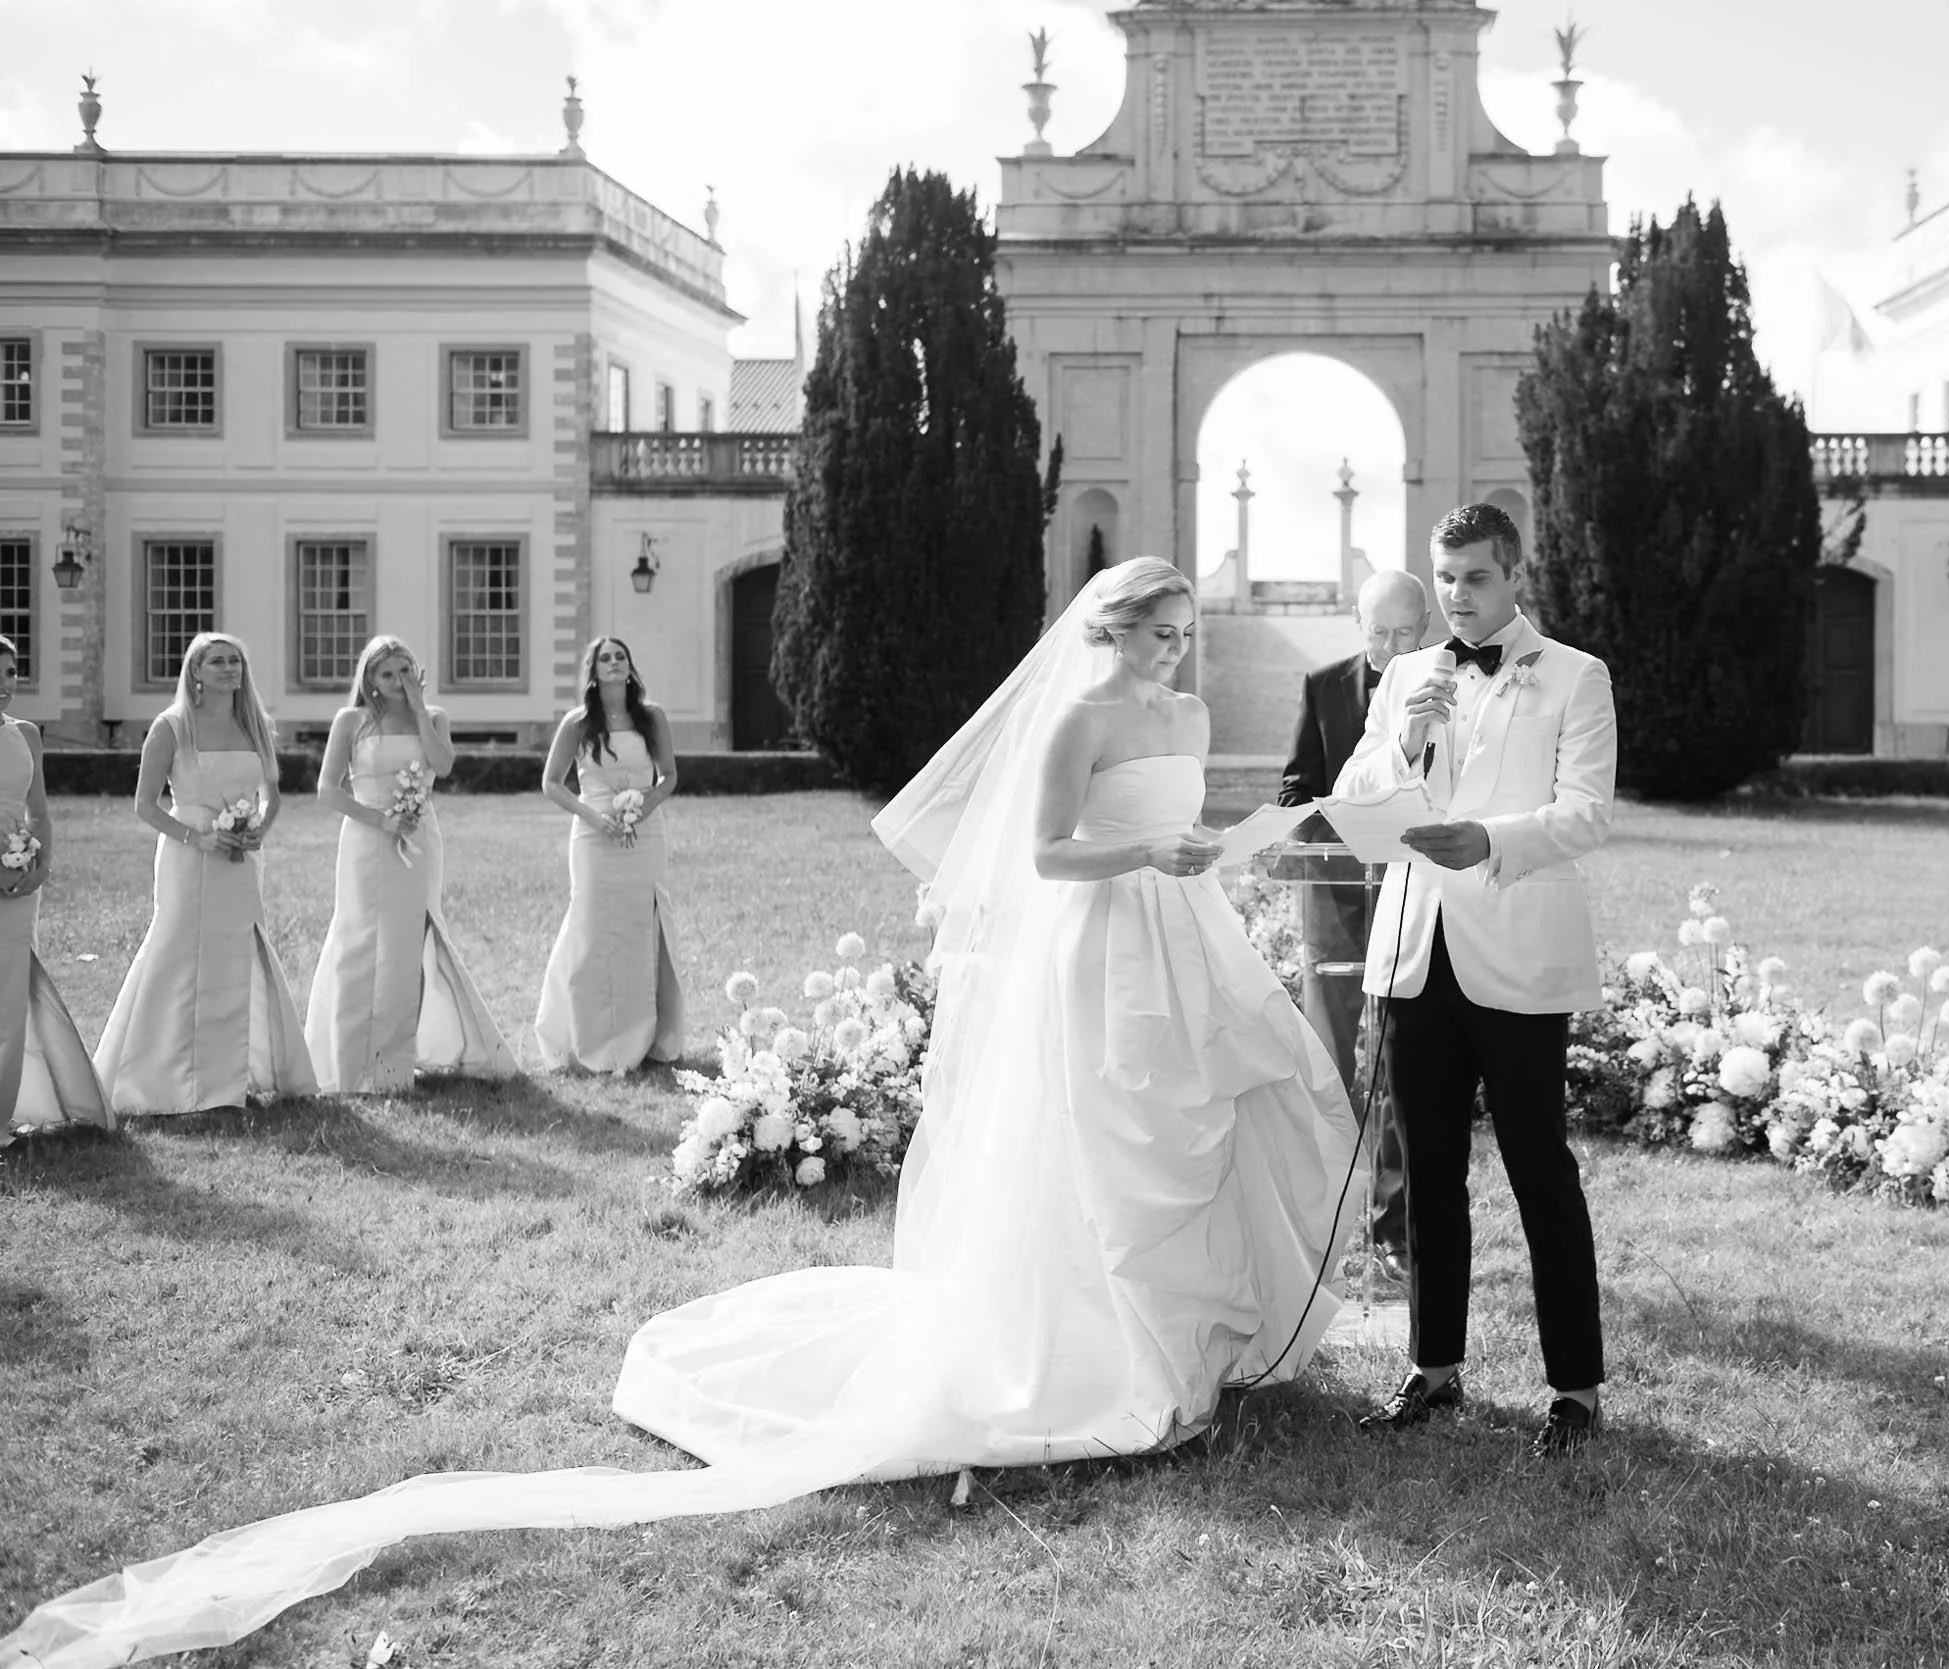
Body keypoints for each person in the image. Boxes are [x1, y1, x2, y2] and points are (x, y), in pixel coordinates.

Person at [0, 559, 1361, 1669]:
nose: (1177, 655)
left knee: (1210, 1118)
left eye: (1188, 633)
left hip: (1180, 938)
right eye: (1158, 632)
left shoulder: (1182, 723)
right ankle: (1101, 1345)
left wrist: (1217, 847)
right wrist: (1146, 849)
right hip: (1098, 942)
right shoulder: (1080, 718)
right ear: (1107, 633)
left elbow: (1193, 816)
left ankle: (1198, 1329)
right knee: (1106, 1148)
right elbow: (1048, 853)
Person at [1335, 502, 1616, 1459]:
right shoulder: (1405, 673)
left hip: (1520, 953)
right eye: (1445, 578)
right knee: (1427, 1175)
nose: (1457, 596)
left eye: (1476, 577)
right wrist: (1405, 744)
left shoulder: (1577, 675)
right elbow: (1360, 799)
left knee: (1543, 1171)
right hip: (1417, 952)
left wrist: (1490, 839)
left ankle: (1574, 1389)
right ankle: (1434, 1366)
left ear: (1515, 573)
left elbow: (1585, 814)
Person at [93, 633, 318, 1116]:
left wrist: (258, 830)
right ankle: (157, 1078)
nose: (228, 668)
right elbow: (144, 805)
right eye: (216, 661)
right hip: (187, 854)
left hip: (241, 859)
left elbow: (272, 797)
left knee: (236, 957)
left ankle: (228, 1081)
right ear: (195, 672)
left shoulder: (253, 723)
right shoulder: (171, 726)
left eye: (235, 660)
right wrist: (198, 839)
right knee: (177, 953)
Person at [1278, 566, 1430, 1270]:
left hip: (1414, 894)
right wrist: (1313, 825)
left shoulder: (1450, 685)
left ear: (1424, 629)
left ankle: (1395, 1225)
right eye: (1379, 632)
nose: (1392, 647)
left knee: (1405, 1062)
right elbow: (1296, 785)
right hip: (1335, 898)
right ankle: (1324, 1222)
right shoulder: (1323, 685)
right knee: (1328, 1058)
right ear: (1356, 623)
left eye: (1405, 631)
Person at [304, 636, 517, 1093]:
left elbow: (441, 765)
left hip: (420, 840)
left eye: (406, 670)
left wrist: (421, 710)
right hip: (366, 839)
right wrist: (381, 821)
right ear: (370, 681)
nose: (399, 681)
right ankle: (347, 1060)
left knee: (407, 946)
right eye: (388, 674)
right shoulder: (352, 721)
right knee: (359, 941)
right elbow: (328, 788)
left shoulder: (434, 717)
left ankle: (395, 1065)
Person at [534, 637, 684, 1072]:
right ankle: (587, 1034)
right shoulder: (578, 723)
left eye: (620, 657)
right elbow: (552, 783)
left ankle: (647, 1036)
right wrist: (595, 817)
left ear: (629, 667)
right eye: (605, 658)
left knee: (641, 926)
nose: (614, 663)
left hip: (645, 835)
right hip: (593, 836)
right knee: (593, 928)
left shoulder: (651, 717)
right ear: (593, 671)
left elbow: (669, 776)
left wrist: (642, 809)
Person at [0, 634, 109, 1138]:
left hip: (18, 885)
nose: (5, 685)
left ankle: (1, 1119)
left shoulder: (26, 734)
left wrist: (39, 867)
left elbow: (38, 811)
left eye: (11, 673)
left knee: (9, 1002)